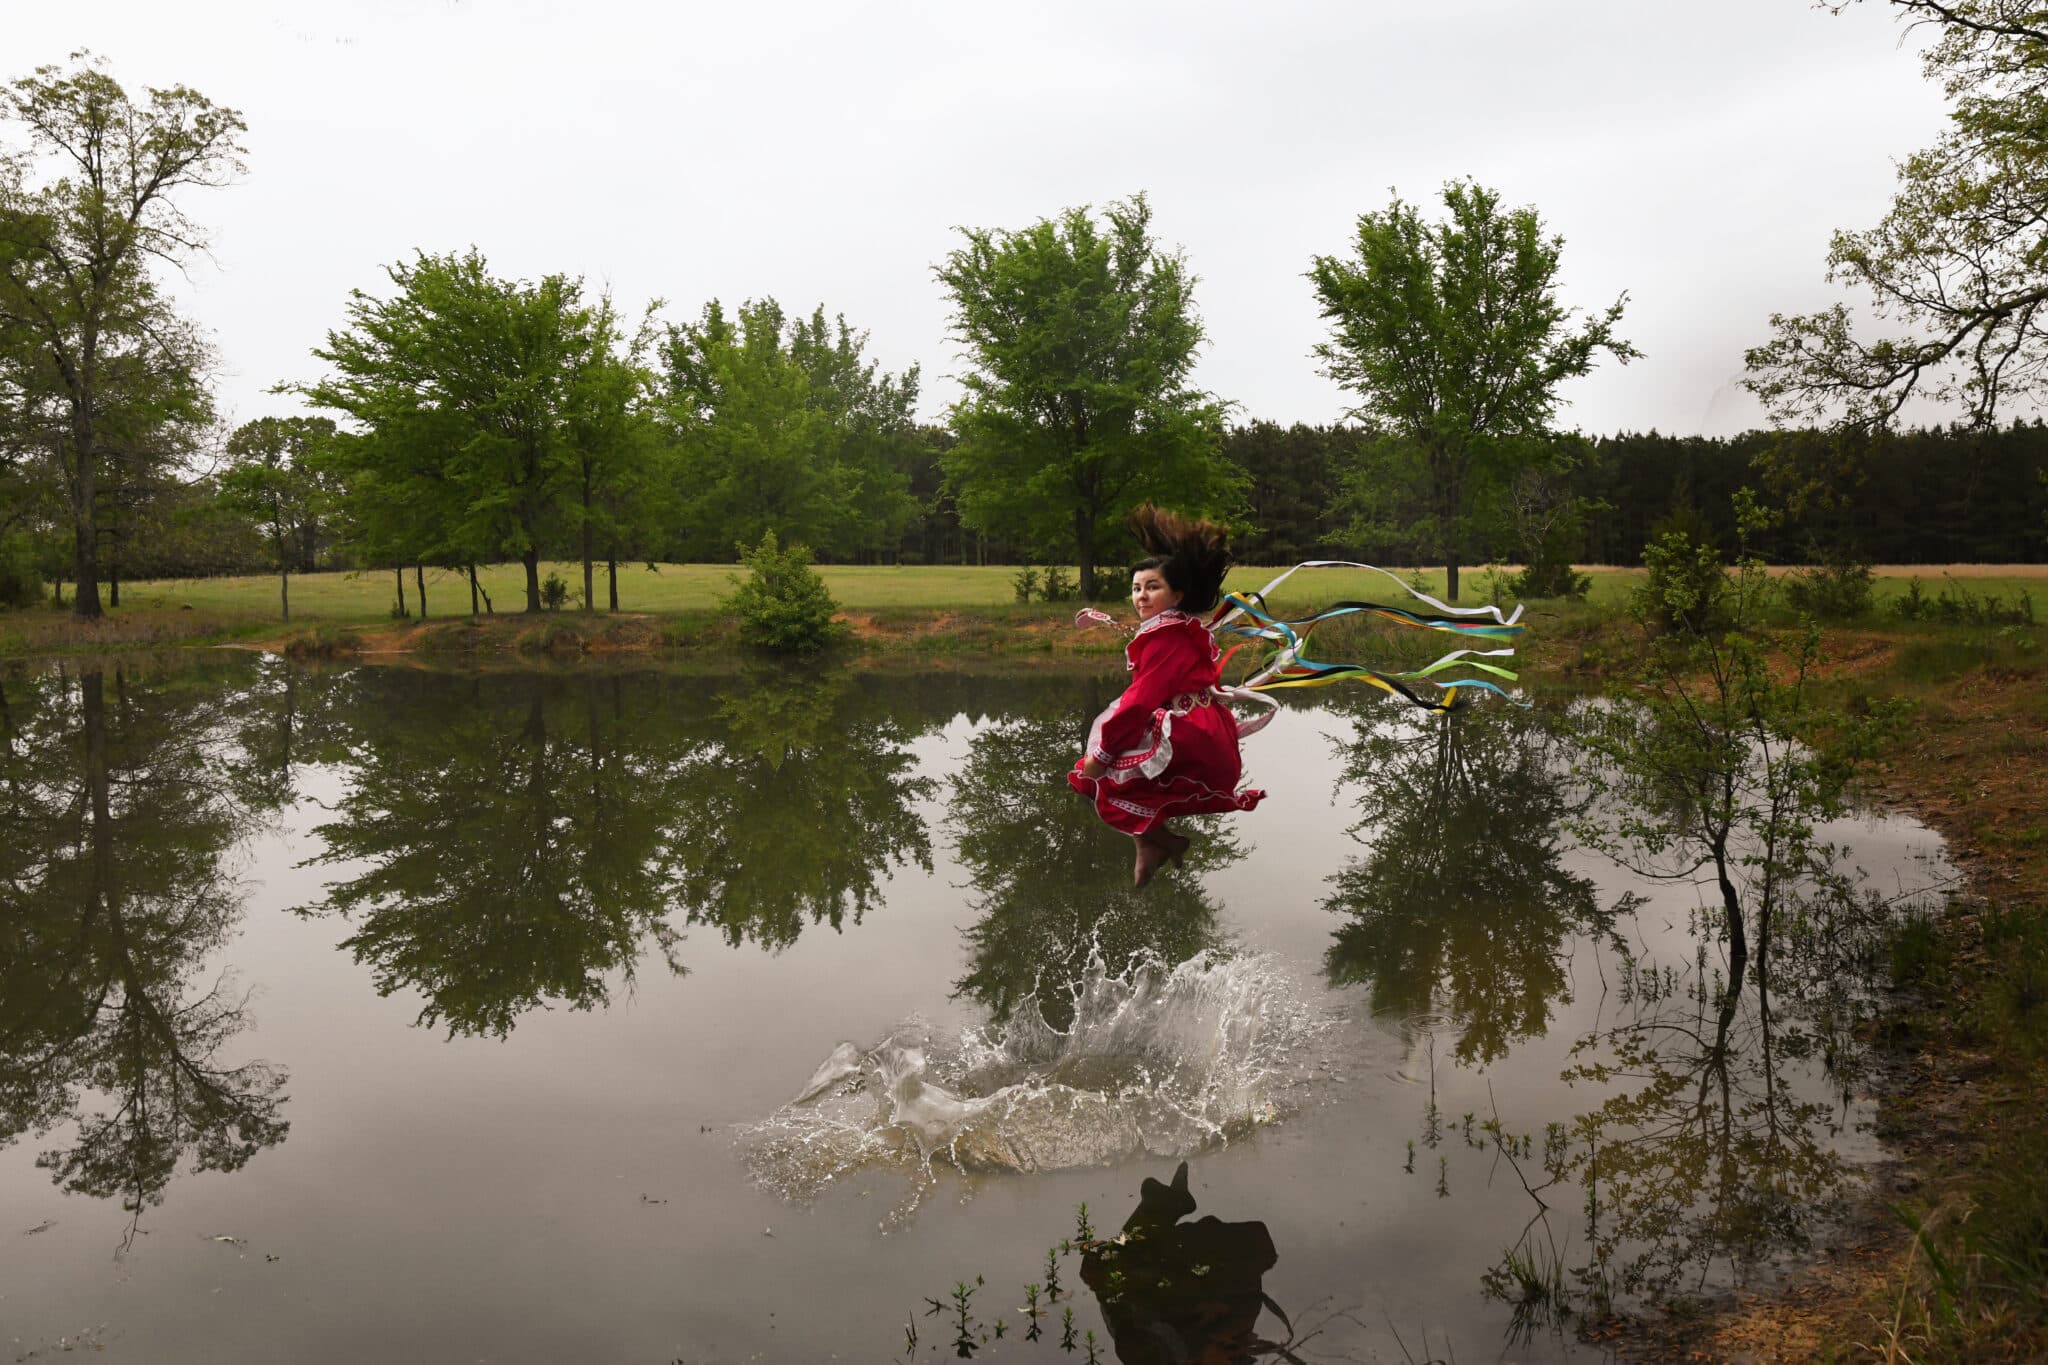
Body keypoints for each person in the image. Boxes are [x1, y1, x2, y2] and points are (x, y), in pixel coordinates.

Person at [1069, 505, 1265, 887]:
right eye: (1136, 588)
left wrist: (1102, 755)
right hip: (1205, 734)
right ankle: (1154, 843)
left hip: (1188, 738)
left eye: (1152, 587)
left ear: (1177, 594)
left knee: (1092, 779)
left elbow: (1140, 701)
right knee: (1106, 784)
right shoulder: (1180, 628)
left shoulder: (1166, 637)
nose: (1141, 597)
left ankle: (1156, 842)